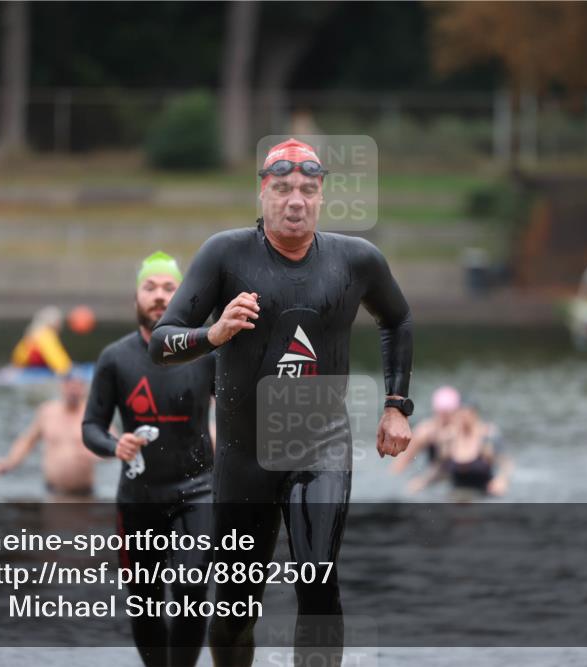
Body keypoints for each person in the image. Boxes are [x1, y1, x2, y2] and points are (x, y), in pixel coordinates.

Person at [149, 138, 414, 666]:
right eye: (284, 188)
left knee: (317, 581)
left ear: (321, 197)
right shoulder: (225, 254)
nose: (296, 200)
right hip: (244, 458)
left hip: (320, 448)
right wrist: (214, 334)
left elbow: (398, 319)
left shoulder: (357, 260)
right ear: (263, 192)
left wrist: (396, 404)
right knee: (233, 615)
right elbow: (162, 342)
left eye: (308, 190)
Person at [83, 251, 216, 667]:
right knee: (144, 602)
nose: (159, 296)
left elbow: (240, 409)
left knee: (192, 593)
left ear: (183, 297)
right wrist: (113, 445)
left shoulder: (206, 352)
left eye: (168, 288)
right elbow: (91, 427)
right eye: (150, 287)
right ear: (135, 298)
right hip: (138, 498)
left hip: (198, 491)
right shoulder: (115, 358)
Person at [0, 373, 101, 500]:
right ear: (62, 386)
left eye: (78, 386)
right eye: (70, 385)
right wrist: (9, 462)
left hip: (85, 494)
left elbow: (113, 445)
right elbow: (27, 441)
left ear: (84, 389)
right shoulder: (48, 412)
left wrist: (96, 453)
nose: (73, 390)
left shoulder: (93, 415)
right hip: (54, 493)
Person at [393, 386, 512, 497]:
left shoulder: (488, 435)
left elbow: (505, 463)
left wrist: (501, 480)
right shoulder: (439, 435)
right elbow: (439, 468)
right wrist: (423, 481)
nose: (444, 419)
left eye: (448, 415)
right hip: (456, 493)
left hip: (482, 493)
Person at [11, 305, 73, 375]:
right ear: (54, 322)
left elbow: (17, 357)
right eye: (59, 322)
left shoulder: (33, 333)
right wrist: (68, 370)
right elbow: (57, 360)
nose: (61, 325)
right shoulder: (45, 335)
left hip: (23, 370)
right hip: (30, 372)